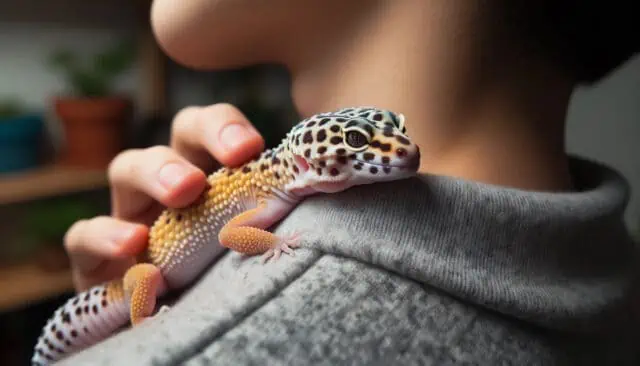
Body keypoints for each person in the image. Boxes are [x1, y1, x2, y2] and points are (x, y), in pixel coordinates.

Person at [61, 1, 640, 364]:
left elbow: (245, 241)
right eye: (364, 145)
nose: (399, 151)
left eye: (379, 140)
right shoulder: (608, 260)